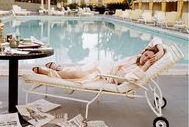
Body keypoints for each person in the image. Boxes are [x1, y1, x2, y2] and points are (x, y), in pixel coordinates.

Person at [32, 40, 165, 84]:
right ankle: (58, 69)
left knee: (77, 75)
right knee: (78, 72)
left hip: (106, 76)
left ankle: (50, 71)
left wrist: (147, 64)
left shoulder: (140, 70)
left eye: (148, 59)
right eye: (146, 55)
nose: (145, 58)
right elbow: (156, 40)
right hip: (104, 66)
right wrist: (159, 52)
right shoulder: (137, 57)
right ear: (144, 52)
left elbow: (129, 79)